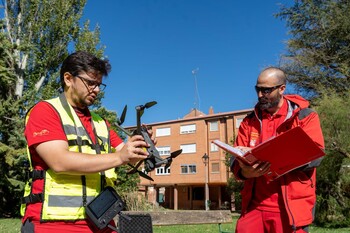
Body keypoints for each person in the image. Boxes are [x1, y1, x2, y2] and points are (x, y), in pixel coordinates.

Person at [20, 51, 154, 233]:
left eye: (99, 84)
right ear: (68, 79)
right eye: (91, 83)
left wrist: (141, 145)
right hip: (53, 224)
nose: (97, 90)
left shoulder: (101, 123)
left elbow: (126, 156)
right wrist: (120, 157)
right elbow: (59, 161)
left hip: (101, 220)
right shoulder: (45, 111)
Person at [232, 67, 324, 233]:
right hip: (253, 208)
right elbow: (235, 161)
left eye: (266, 90)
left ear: (282, 88)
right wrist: (246, 172)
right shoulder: (249, 121)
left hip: (290, 211)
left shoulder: (304, 116)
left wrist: (278, 161)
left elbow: (315, 155)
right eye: (258, 89)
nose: (260, 95)